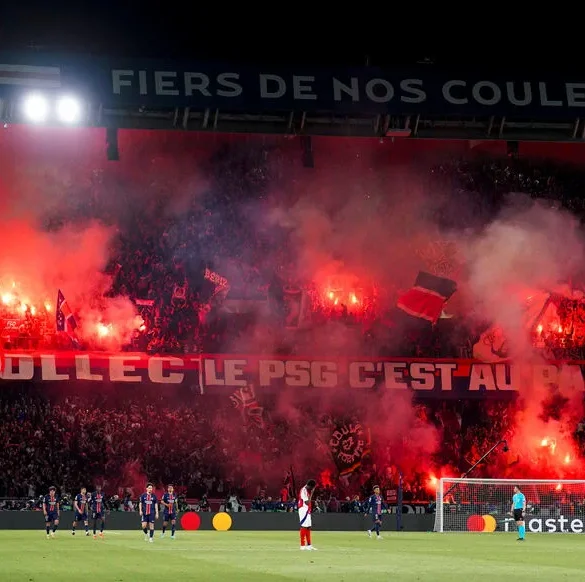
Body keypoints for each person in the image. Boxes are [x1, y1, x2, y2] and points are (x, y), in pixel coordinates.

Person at [298, 479, 317, 551]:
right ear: (310, 486)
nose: (312, 489)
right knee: (304, 526)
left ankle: (309, 545)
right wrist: (312, 493)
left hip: (307, 510)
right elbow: (307, 502)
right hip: (303, 510)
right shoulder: (303, 491)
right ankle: (302, 545)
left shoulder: (305, 490)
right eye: (312, 487)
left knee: (308, 527)